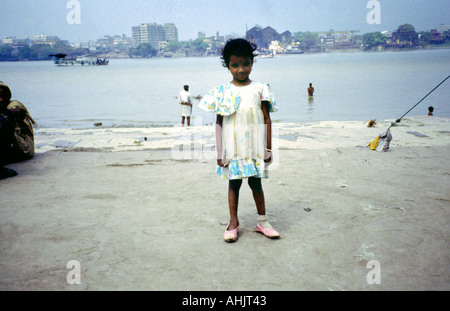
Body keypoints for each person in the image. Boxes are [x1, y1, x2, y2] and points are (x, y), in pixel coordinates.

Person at [198, 38, 280, 242]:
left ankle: (263, 221)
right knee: (234, 184)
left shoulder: (261, 89)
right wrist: (219, 152)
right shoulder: (222, 92)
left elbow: (267, 120)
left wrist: (268, 149)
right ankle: (233, 222)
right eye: (235, 65)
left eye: (245, 63)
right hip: (232, 149)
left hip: (255, 148)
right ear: (227, 65)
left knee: (256, 183)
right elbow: (219, 123)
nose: (241, 69)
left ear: (252, 63)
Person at [0, 81, 36, 180]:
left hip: (18, 148)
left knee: (6, 119)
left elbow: (17, 113)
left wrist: (8, 112)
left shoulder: (14, 106)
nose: (1, 99)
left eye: (3, 96)